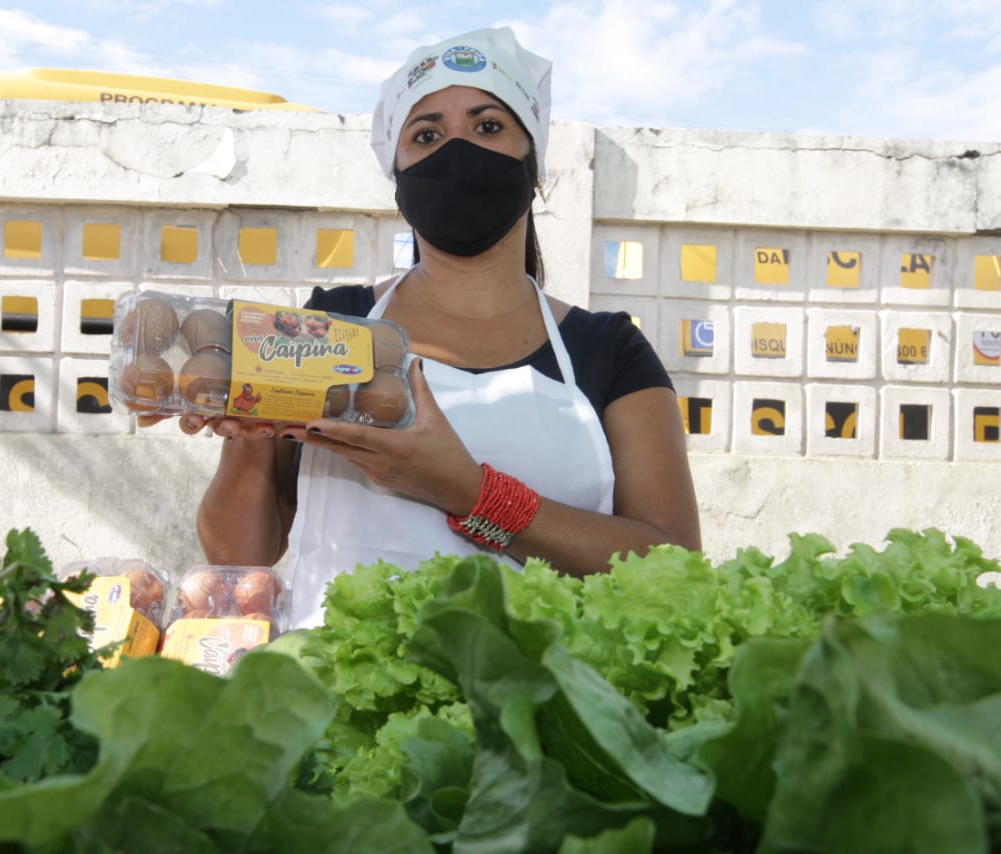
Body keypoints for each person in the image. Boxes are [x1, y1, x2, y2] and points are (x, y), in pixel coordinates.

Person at [178, 26, 701, 628]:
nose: (457, 152)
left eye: (487, 127)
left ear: (533, 166)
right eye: (426, 135)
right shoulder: (327, 322)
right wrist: (249, 431)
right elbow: (239, 556)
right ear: (398, 179)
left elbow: (675, 568)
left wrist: (472, 493)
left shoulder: (610, 350)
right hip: (337, 697)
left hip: (540, 704)